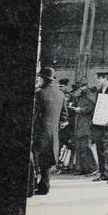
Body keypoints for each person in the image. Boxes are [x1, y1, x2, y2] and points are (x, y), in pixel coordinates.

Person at [31, 66, 66, 196]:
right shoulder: (61, 94)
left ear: (44, 79)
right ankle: (45, 186)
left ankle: (32, 185)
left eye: (39, 78)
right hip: (53, 134)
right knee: (47, 159)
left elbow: (34, 116)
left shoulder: (39, 94)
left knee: (35, 157)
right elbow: (64, 116)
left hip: (40, 132)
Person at [68, 78, 98, 176]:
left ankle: (93, 168)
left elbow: (90, 108)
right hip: (80, 126)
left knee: (85, 148)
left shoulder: (89, 97)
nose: (78, 90)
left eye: (79, 88)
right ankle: (81, 169)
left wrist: (79, 109)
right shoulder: (82, 97)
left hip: (85, 127)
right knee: (79, 149)